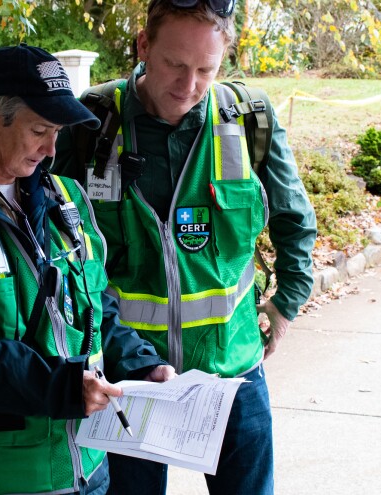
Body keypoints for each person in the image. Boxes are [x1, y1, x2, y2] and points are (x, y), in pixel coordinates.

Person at [51, 0, 318, 493]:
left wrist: (285, 304)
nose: (189, 85)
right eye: (175, 64)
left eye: (205, 70)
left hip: (232, 376)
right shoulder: (90, 123)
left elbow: (294, 220)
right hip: (129, 380)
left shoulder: (247, 120)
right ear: (143, 45)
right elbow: (59, 244)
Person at [0, 44, 175, 495]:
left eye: (58, 131)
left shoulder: (66, 197)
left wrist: (142, 365)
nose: (51, 149)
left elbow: (96, 313)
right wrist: (60, 388)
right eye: (39, 129)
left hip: (87, 472)